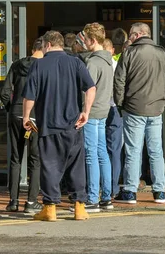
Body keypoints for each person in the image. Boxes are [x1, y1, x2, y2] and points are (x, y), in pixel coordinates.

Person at [22, 30, 97, 221]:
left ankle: (50, 208)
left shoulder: (38, 66)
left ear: (47, 45)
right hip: (73, 125)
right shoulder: (75, 62)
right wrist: (86, 112)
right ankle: (79, 206)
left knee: (49, 166)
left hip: (48, 125)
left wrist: (26, 117)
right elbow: (91, 87)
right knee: (75, 166)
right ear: (61, 44)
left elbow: (29, 96)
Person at [113, 23, 165, 204]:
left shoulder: (130, 53)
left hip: (133, 108)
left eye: (132, 35)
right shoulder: (163, 54)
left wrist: (120, 103)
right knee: (156, 150)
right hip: (156, 109)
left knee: (133, 151)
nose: (130, 38)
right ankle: (160, 191)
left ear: (140, 34)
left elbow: (119, 81)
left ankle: (131, 191)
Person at [0, 37, 44, 214]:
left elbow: (4, 93)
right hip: (34, 117)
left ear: (32, 47)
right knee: (35, 159)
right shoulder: (43, 67)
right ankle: (32, 201)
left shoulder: (17, 65)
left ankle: (13, 201)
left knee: (15, 158)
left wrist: (12, 110)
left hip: (16, 114)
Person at [73, 23, 114, 213]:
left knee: (91, 154)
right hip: (104, 109)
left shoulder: (93, 62)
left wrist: (84, 111)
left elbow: (88, 89)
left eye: (86, 40)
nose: (85, 43)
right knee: (102, 152)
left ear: (93, 40)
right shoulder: (107, 60)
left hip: (92, 110)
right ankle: (106, 197)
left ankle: (92, 198)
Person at [102, 38, 123, 198]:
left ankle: (100, 187)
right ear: (112, 50)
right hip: (115, 108)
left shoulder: (96, 64)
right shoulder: (117, 65)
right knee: (114, 150)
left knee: (98, 150)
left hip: (99, 109)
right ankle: (113, 187)